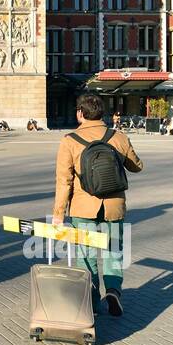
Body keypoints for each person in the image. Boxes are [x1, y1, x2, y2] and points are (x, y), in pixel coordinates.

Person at [52, 93, 143, 317]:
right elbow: (137, 166)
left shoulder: (69, 140)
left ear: (81, 114)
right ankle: (113, 291)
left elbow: (64, 181)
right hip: (113, 206)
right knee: (113, 251)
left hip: (83, 208)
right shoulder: (118, 136)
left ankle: (91, 297)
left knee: (86, 254)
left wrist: (58, 214)